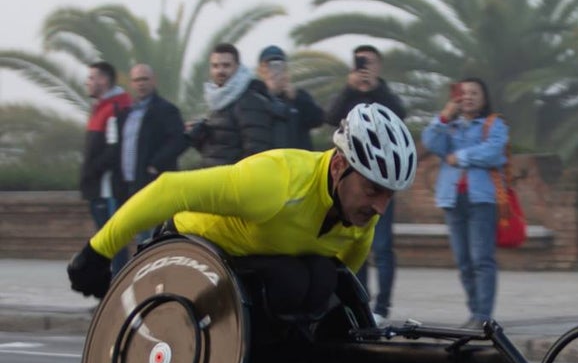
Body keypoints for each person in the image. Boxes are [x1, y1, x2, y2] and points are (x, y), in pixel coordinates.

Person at [66, 104, 418, 336]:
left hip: (257, 259)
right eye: (373, 190)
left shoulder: (359, 214)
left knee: (322, 279)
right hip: (191, 245)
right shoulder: (275, 183)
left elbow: (344, 285)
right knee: (291, 280)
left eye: (390, 195)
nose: (381, 208)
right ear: (340, 166)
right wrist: (98, 252)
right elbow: (169, 189)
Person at [324, 45, 407, 319]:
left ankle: (383, 307)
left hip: (382, 181)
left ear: (379, 66)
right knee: (353, 242)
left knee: (382, 247)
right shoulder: (348, 95)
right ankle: (359, 304)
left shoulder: (385, 95)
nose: (364, 67)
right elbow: (329, 117)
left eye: (369, 62)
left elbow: (400, 114)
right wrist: (351, 89)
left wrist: (376, 88)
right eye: (359, 62)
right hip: (354, 183)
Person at [421, 78, 507, 327]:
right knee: (463, 261)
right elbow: (430, 143)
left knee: (482, 259)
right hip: (451, 198)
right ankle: (474, 311)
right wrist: (443, 117)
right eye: (464, 93)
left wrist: (459, 156)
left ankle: (483, 316)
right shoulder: (450, 127)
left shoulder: (494, 124)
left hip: (481, 199)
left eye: (474, 92)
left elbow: (493, 152)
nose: (468, 97)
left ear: (484, 98)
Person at [80, 61, 133, 273]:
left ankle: (116, 290)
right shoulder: (101, 108)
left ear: (104, 80)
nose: (88, 82)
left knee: (113, 243)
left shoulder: (114, 108)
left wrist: (93, 171)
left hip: (108, 189)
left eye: (92, 78)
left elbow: (114, 150)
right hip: (97, 188)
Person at [186, 43, 276, 166]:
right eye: (215, 66)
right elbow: (220, 149)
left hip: (234, 181)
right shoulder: (217, 99)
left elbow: (257, 149)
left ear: (237, 67)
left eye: (226, 66)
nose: (220, 71)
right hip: (217, 177)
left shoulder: (248, 100)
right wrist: (200, 137)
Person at [116, 64, 186, 201]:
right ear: (131, 83)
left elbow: (179, 140)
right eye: (136, 80)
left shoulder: (166, 110)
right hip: (127, 184)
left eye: (144, 79)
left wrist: (155, 164)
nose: (140, 84)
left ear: (153, 81)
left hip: (153, 182)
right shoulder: (126, 114)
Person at [257, 45, 324, 150]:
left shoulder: (298, 96)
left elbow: (317, 119)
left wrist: (297, 99)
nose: (274, 70)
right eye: (270, 65)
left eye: (278, 65)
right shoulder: (255, 97)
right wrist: (269, 92)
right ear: (261, 70)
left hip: (297, 160)